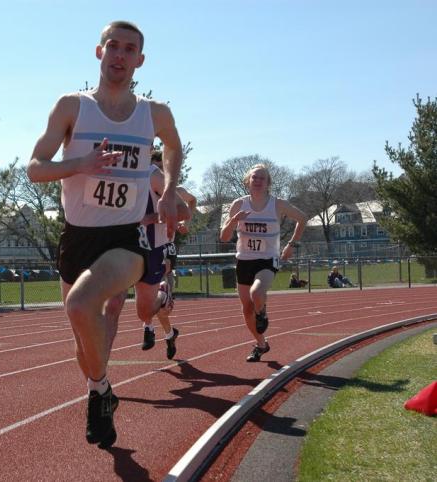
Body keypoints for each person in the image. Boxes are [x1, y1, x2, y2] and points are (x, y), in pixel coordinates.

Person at [27, 20, 183, 449]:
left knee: (81, 304)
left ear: (140, 60)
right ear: (99, 53)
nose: (119, 55)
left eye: (128, 49)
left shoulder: (154, 113)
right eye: (112, 46)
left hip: (124, 238)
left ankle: (97, 393)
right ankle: (101, 389)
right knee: (84, 344)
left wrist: (168, 191)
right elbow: (34, 167)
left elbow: (173, 145)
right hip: (76, 238)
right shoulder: (72, 107)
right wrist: (80, 165)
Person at [219, 164, 306, 362]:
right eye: (254, 178)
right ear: (247, 181)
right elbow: (224, 237)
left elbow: (302, 218)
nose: (258, 181)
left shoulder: (277, 204)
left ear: (268, 183)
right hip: (244, 260)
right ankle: (261, 344)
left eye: (262, 178)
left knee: (256, 293)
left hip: (267, 259)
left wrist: (292, 244)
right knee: (247, 310)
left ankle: (262, 311)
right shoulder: (238, 204)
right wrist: (234, 220)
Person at [139, 154, 196, 360]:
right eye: (154, 167)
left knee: (159, 300)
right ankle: (166, 333)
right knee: (156, 309)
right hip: (143, 245)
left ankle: (151, 327)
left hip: (165, 245)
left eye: (160, 168)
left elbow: (192, 202)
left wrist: (183, 223)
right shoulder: (139, 182)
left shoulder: (176, 190)